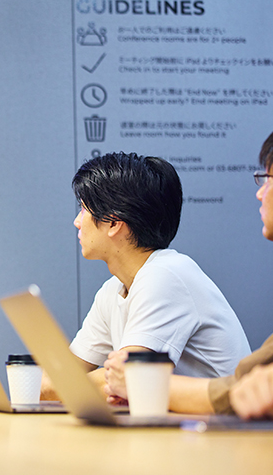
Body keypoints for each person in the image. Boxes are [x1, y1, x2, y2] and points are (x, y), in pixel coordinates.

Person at [104, 109, 273, 419]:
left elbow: (245, 389)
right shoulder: (114, 286)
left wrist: (141, 382)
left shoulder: (165, 273)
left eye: (267, 179)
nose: (259, 193)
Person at [41, 152, 250, 400]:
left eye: (84, 210)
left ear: (113, 222)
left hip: (225, 422)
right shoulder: (113, 289)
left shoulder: (166, 275)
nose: (77, 222)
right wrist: (62, 384)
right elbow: (56, 381)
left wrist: (68, 384)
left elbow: (130, 378)